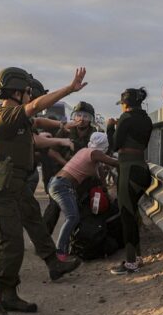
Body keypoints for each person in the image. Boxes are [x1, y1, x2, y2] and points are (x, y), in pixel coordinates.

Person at [0, 66, 86, 315]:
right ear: (16, 92)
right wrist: (69, 89)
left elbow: (36, 123)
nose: (29, 95)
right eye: (26, 91)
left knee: (33, 219)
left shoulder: (16, 118)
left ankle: (19, 287)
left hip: (14, 184)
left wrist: (62, 126)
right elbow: (35, 109)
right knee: (11, 243)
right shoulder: (4, 116)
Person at [48, 132, 118, 260]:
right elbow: (113, 162)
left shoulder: (86, 152)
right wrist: (132, 161)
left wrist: (105, 186)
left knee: (72, 217)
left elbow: (100, 174)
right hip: (62, 186)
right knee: (72, 217)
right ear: (104, 145)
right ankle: (59, 252)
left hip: (58, 183)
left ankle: (66, 249)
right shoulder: (93, 153)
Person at [107, 88, 153, 275]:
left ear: (125, 104)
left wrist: (111, 127)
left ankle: (131, 263)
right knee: (133, 215)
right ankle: (137, 257)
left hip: (128, 170)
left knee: (127, 216)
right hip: (142, 169)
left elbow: (114, 145)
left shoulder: (125, 118)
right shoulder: (147, 119)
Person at [43, 101, 97, 233]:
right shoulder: (65, 130)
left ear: (90, 119)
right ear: (74, 116)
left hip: (83, 179)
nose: (82, 119)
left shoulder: (94, 134)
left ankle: (78, 240)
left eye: (86, 116)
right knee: (54, 207)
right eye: (79, 115)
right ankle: (43, 240)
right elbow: (51, 151)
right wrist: (66, 164)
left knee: (82, 208)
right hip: (63, 175)